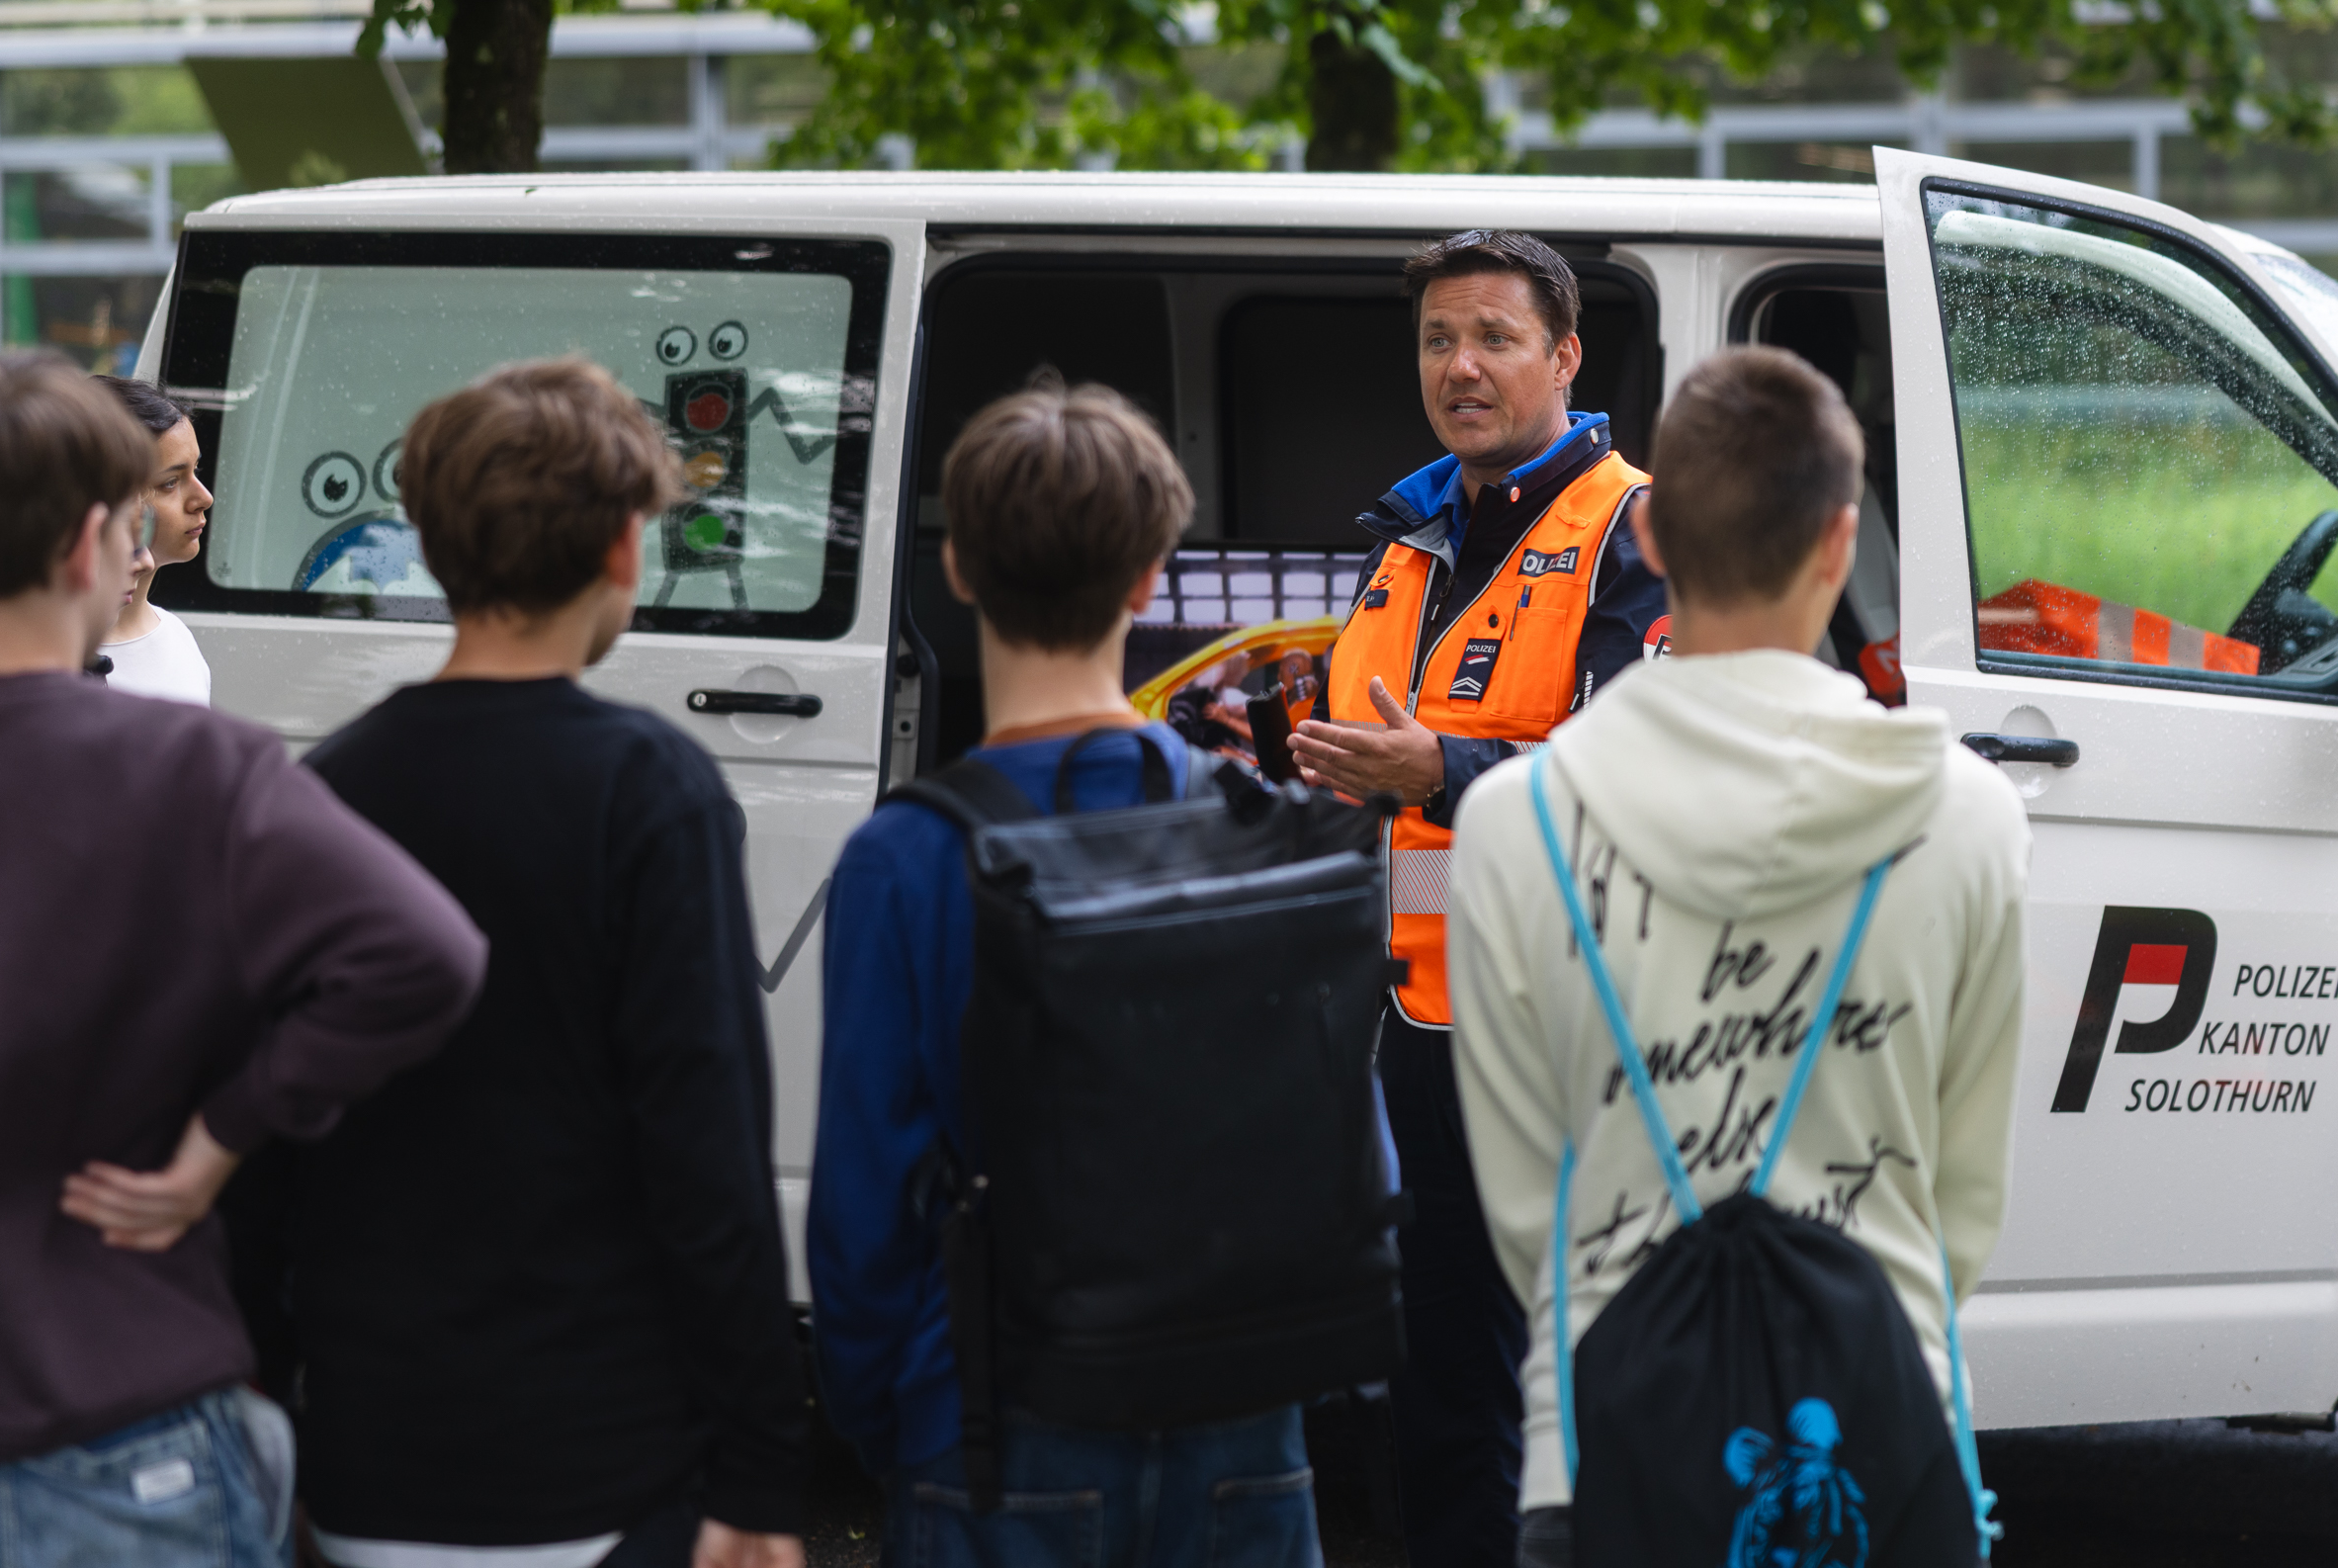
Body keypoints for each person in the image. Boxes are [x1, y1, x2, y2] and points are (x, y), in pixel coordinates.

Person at [0, 351, 487, 1566]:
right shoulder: (192, 770)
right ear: (91, 538)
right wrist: (227, 1131)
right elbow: (426, 953)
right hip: (128, 1420)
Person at [1443, 346, 2032, 1566]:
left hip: (1598, 1436)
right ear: (1838, 543)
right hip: (1882, 1404)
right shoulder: (1971, 814)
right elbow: (1965, 1192)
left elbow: (1521, 1204)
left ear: (1649, 536)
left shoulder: (1515, 822)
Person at [224, 358, 808, 1568]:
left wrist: (261, 1415)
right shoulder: (652, 792)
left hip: (367, 1462)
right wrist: (756, 1469)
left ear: (433, 550)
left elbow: (261, 1149)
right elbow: (707, 1152)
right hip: (599, 1460)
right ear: (619, 554)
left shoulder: (322, 789)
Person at [812, 378, 1323, 1566]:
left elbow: (864, 1213)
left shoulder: (909, 854)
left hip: (995, 1418)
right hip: (1247, 1422)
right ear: (1150, 581)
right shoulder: (1262, 818)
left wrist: (896, 1426)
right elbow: (1344, 1150)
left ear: (960, 573)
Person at [1282, 228, 1665, 1568]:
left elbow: (1635, 776)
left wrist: (1433, 766)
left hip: (1539, 1021)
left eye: (1495, 339)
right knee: (1413, 1362)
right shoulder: (1411, 532)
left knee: (1505, 1377)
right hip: (1392, 1018)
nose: (1462, 366)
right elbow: (1361, 758)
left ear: (1565, 358)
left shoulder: (1630, 527)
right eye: (1441, 341)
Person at [93, 373, 216, 704]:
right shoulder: (48, 660)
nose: (204, 498)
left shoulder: (177, 637)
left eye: (196, 471)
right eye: (170, 483)